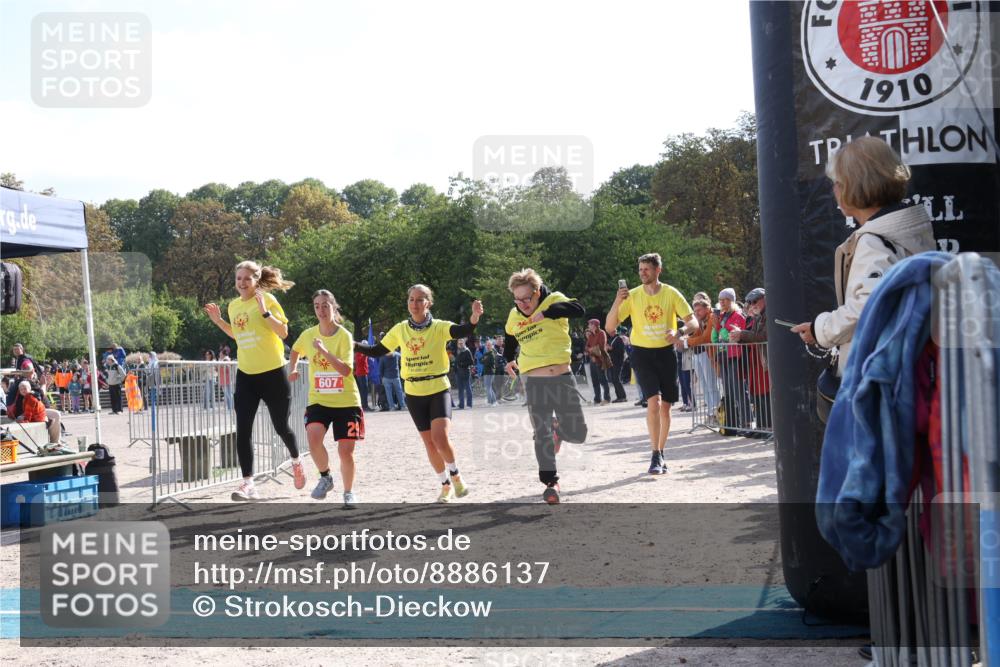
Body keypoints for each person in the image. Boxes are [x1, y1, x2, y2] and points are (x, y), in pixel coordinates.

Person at [791, 136, 936, 379]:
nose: (833, 190)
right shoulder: (910, 234)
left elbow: (867, 307)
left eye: (837, 182)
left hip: (879, 382)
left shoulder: (873, 242)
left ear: (852, 185)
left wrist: (821, 329)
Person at [356, 284, 481, 503]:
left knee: (440, 437)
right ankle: (445, 485)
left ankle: (456, 475)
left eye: (420, 299)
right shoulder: (400, 329)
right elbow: (377, 351)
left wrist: (474, 317)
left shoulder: (439, 327)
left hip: (438, 388)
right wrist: (353, 344)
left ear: (428, 303)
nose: (415, 304)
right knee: (429, 443)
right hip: (413, 392)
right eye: (411, 299)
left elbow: (463, 331)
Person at [203, 260, 303, 501]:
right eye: (238, 279)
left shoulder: (267, 300)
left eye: (247, 278)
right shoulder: (234, 305)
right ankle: (248, 483)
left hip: (273, 373)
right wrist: (218, 321)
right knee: (243, 429)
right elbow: (238, 335)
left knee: (281, 426)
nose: (242, 283)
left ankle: (296, 460)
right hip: (247, 375)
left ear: (256, 281)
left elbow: (283, 333)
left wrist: (264, 311)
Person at [606, 253, 699, 475]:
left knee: (666, 407)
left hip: (666, 353)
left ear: (658, 270)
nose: (642, 273)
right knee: (654, 402)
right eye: (640, 270)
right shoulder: (633, 295)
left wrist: (679, 331)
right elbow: (610, 327)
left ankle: (661, 451)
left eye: (646, 269)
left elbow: (693, 321)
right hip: (642, 354)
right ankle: (654, 455)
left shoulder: (670, 293)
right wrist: (618, 300)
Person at [504, 268, 588, 504]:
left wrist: (549, 313)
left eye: (527, 299)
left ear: (537, 292)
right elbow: (510, 337)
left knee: (578, 434)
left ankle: (559, 430)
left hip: (562, 377)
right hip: (533, 380)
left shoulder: (553, 300)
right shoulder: (514, 314)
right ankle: (551, 483)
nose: (523, 304)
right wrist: (509, 358)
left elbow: (578, 309)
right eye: (517, 300)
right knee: (540, 433)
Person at [288, 290, 364, 508]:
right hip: (319, 400)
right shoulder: (308, 334)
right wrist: (293, 368)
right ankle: (325, 477)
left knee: (345, 452)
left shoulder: (344, 336)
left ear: (334, 307)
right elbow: (295, 350)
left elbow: (346, 371)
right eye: (317, 306)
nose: (321, 310)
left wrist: (323, 351)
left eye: (325, 305)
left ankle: (348, 492)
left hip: (346, 402)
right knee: (313, 439)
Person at [732, 288, 771, 434]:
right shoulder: (757, 316)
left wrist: (742, 334)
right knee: (756, 393)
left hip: (765, 359)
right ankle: (761, 426)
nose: (752, 304)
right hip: (756, 360)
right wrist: (739, 338)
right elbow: (754, 336)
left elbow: (763, 336)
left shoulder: (770, 313)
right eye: (749, 302)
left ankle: (769, 427)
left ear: (764, 298)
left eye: (755, 301)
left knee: (766, 393)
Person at [713, 288, 752, 432]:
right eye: (720, 299)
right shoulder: (722, 315)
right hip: (724, 355)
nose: (722, 302)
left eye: (725, 299)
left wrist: (724, 325)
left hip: (735, 355)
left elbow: (739, 331)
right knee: (728, 390)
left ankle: (746, 422)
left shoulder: (738, 315)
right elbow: (717, 333)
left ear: (731, 301)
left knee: (739, 389)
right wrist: (716, 323)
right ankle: (733, 422)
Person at [682, 296, 721, 424]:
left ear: (707, 308)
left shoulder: (710, 318)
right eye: (695, 311)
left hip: (709, 355)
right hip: (699, 354)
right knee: (704, 386)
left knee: (711, 386)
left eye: (699, 310)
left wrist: (687, 342)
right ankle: (711, 414)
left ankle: (718, 415)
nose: (696, 313)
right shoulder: (701, 320)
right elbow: (698, 334)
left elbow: (706, 338)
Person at [585, 319, 611, 405]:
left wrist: (590, 350)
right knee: (595, 380)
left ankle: (607, 399)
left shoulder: (602, 333)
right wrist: (591, 350)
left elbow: (601, 346)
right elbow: (586, 347)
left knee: (603, 380)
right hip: (593, 359)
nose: (588, 326)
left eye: (590, 324)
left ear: (594, 325)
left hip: (600, 359)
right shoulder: (591, 335)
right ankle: (597, 399)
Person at [608, 326, 629, 403]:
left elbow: (621, 350)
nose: (609, 333)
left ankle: (623, 396)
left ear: (614, 331)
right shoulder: (611, 339)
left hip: (618, 362)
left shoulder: (619, 339)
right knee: (614, 379)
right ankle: (619, 396)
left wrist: (611, 349)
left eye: (610, 331)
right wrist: (608, 349)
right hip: (612, 361)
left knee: (616, 378)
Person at [454, 338, 475, 409]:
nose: (460, 344)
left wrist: (462, 364)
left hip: (465, 371)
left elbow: (472, 362)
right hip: (458, 372)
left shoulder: (467, 351)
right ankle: (461, 405)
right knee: (460, 389)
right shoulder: (458, 351)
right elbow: (456, 361)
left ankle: (469, 405)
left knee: (468, 388)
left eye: (461, 343)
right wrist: (455, 368)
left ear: (464, 343)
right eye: (459, 343)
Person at [481, 340, 501, 406]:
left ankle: (491, 402)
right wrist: (485, 360)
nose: (488, 346)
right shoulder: (486, 353)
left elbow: (490, 363)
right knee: (489, 387)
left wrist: (485, 360)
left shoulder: (492, 353)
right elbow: (481, 360)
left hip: (490, 372)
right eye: (487, 345)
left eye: (489, 345)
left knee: (488, 388)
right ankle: (494, 401)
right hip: (486, 372)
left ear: (492, 346)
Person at [218, 345, 234, 410]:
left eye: (220, 353)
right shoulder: (221, 359)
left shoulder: (226, 359)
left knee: (228, 394)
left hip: (226, 379)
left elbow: (227, 368)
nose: (219, 354)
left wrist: (221, 365)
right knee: (227, 394)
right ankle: (230, 407)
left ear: (223, 354)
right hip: (223, 379)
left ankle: (231, 407)